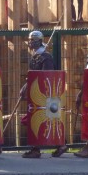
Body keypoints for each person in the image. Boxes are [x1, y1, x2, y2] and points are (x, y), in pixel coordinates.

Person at [21, 30, 68, 158]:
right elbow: (33, 76)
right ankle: (59, 146)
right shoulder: (36, 55)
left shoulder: (46, 57)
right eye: (29, 40)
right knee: (40, 120)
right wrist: (26, 86)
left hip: (44, 97)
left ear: (38, 41)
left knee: (40, 120)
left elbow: (46, 78)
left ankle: (37, 149)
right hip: (38, 96)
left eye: (32, 40)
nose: (29, 42)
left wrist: (31, 85)